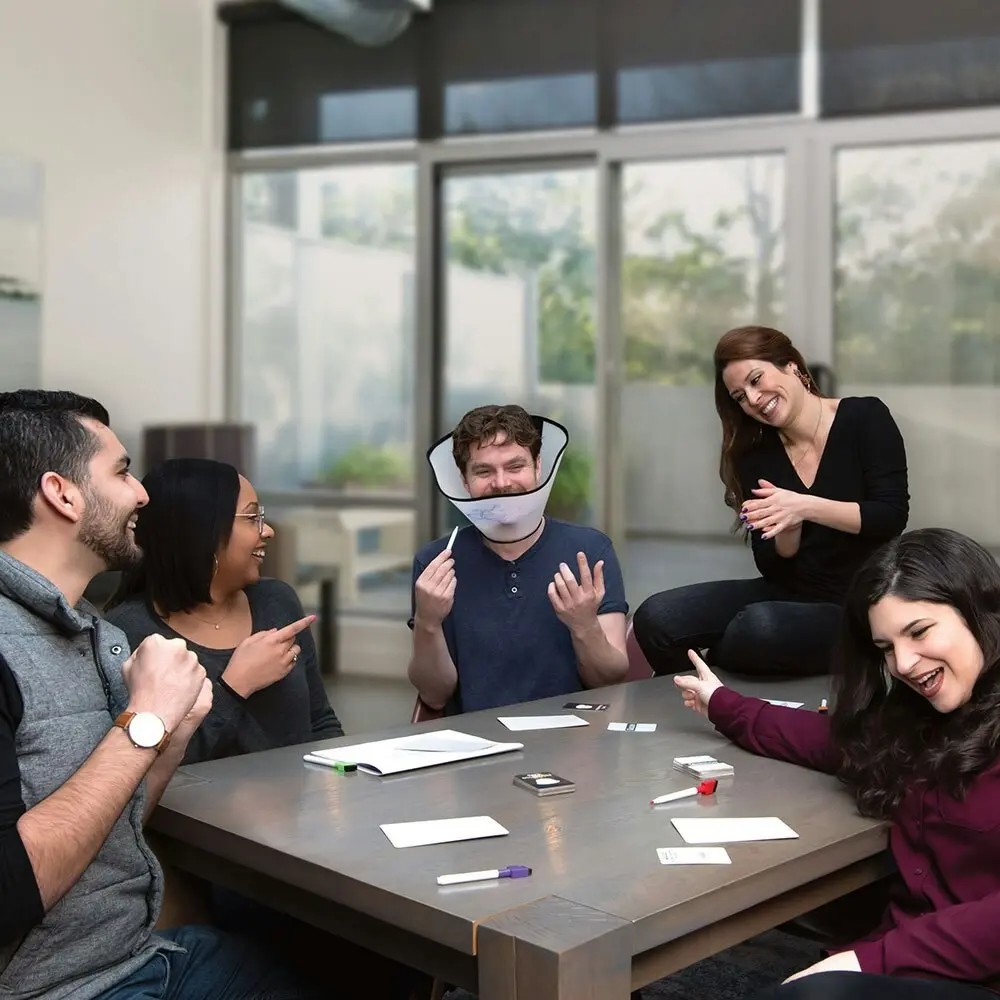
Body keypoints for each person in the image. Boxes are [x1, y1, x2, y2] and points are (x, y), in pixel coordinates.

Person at [0, 390, 331, 1000]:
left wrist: (171, 735)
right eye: (123, 472)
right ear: (62, 493)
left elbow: (116, 818)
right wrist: (145, 723)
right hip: (65, 987)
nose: (143, 495)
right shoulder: (37, 643)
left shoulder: (95, 637)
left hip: (137, 955)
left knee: (358, 970)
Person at [675, 527, 1000, 1000]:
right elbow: (824, 739)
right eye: (886, 648)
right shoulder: (916, 723)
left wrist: (866, 961)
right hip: (906, 962)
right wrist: (722, 703)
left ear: (979, 613)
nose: (904, 663)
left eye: (919, 631)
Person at [633, 325, 909, 677]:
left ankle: (718, 669)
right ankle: (705, 692)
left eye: (756, 379)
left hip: (859, 601)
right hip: (787, 593)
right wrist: (787, 530)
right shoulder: (756, 457)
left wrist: (803, 506)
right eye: (739, 396)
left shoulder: (864, 417)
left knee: (757, 628)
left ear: (792, 366)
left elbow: (890, 515)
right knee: (657, 617)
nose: (753, 398)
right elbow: (772, 566)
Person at [105, 457, 343, 765]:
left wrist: (342, 786)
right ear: (202, 531)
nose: (267, 530)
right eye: (251, 518)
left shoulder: (276, 601)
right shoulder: (126, 633)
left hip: (300, 806)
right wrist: (234, 686)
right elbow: (145, 769)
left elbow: (320, 722)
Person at [408, 404, 629, 713]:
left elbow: (610, 679)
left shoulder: (590, 550)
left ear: (538, 466)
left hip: (575, 742)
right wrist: (428, 622)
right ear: (464, 480)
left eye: (515, 467)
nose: (501, 483)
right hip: (473, 746)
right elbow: (434, 695)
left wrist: (584, 626)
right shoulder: (435, 563)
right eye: (483, 471)